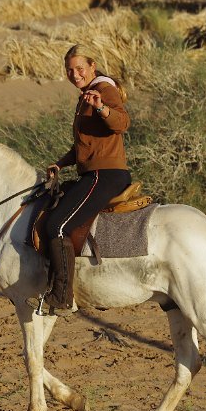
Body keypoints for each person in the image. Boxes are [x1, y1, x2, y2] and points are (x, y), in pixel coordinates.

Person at [27, 44, 132, 316]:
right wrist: (61, 163)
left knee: (57, 225)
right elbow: (86, 144)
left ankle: (62, 296)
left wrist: (101, 108)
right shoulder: (86, 93)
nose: (75, 74)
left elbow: (121, 123)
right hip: (94, 173)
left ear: (92, 66)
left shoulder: (103, 89)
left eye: (79, 68)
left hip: (105, 175)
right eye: (69, 70)